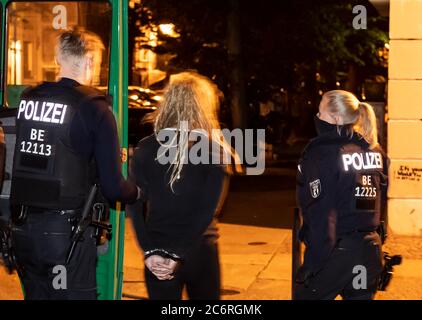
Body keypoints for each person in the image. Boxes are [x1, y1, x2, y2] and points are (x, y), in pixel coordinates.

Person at [10, 29, 141, 300]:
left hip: (23, 232)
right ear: (91, 60)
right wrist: (139, 193)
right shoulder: (95, 108)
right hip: (66, 237)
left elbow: (49, 151)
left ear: (59, 57)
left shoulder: (29, 99)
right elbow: (114, 188)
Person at [127, 72, 235, 300]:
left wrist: (149, 251)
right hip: (199, 249)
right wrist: (177, 254)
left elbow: (134, 206)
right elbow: (207, 211)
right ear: (203, 106)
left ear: (167, 101)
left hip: (158, 247)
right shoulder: (214, 150)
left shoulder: (145, 149)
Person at [294, 90, 388, 300]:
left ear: (336, 118)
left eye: (320, 112)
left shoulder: (321, 154)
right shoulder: (374, 151)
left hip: (336, 252)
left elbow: (322, 215)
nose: (317, 118)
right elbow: (376, 202)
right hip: (369, 249)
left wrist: (313, 263)